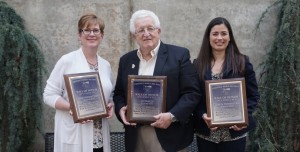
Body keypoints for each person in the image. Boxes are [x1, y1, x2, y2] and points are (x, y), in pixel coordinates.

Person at [113, 10, 201, 152]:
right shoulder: (126, 60)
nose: (146, 33)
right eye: (140, 30)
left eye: (150, 28)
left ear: (159, 31)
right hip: (136, 135)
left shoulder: (179, 55)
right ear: (134, 35)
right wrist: (121, 108)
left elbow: (192, 93)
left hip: (169, 134)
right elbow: (118, 94)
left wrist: (171, 116)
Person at [43, 13, 114, 152]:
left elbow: (109, 95)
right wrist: (73, 108)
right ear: (79, 35)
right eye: (86, 30)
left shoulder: (106, 65)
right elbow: (48, 95)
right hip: (74, 133)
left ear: (102, 35)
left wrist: (111, 104)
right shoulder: (67, 61)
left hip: (99, 136)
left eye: (96, 30)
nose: (91, 34)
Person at [192, 17, 260, 152]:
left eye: (224, 33)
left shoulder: (242, 62)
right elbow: (194, 97)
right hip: (206, 133)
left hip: (234, 134)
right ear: (208, 37)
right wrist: (202, 115)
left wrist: (243, 117)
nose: (219, 38)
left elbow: (253, 96)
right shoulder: (197, 64)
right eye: (215, 33)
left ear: (230, 37)